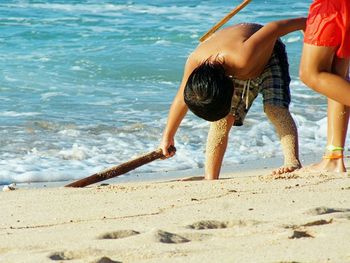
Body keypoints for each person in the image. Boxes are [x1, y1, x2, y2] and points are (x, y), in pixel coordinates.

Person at [160, 18, 306, 180]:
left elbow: (275, 27)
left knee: (274, 108)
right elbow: (181, 99)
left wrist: (306, 24)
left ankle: (292, 162)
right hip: (232, 63)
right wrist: (168, 137)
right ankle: (211, 177)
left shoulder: (243, 56)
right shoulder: (195, 62)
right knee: (223, 119)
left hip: (268, 53)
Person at [299, 0, 350, 173]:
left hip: (330, 7)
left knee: (311, 73)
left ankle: (334, 159)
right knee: (336, 79)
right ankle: (334, 159)